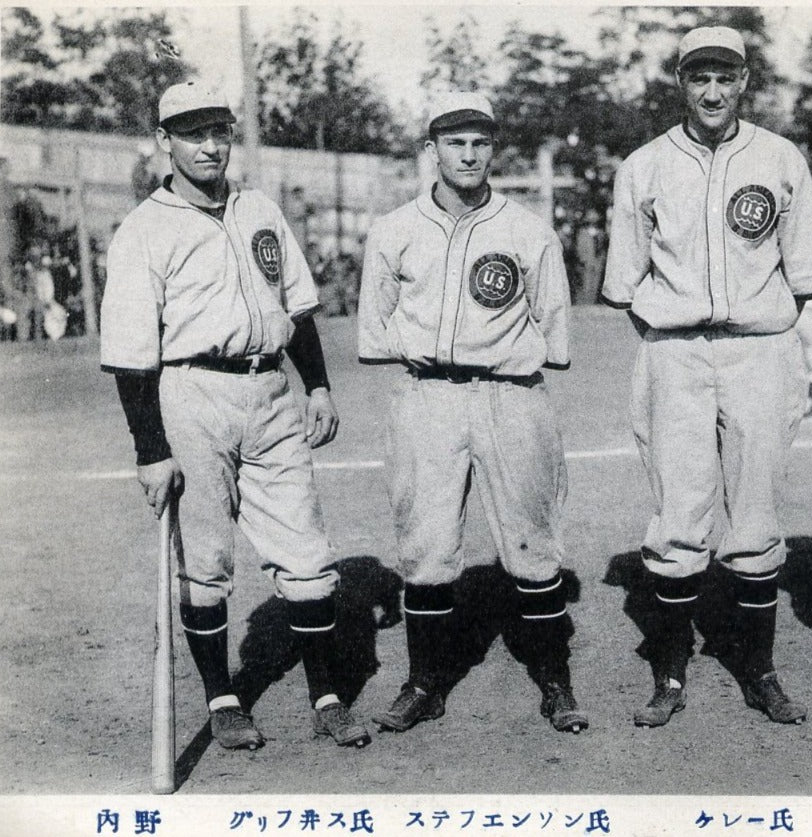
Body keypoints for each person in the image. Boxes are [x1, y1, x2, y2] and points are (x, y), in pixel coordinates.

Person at [100, 80, 370, 750]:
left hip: (272, 391)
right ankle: (224, 696)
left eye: (219, 130)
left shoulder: (259, 209)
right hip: (191, 395)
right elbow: (132, 355)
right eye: (193, 133)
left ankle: (328, 694)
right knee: (208, 558)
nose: (211, 145)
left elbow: (298, 306)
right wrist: (149, 448)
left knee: (305, 552)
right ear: (165, 141)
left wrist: (318, 386)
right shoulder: (143, 230)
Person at [601, 27, 812, 727]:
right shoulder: (642, 166)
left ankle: (757, 669)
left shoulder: (778, 157)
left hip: (760, 353)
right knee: (677, 517)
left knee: (756, 516)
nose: (711, 91)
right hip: (673, 353)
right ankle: (669, 674)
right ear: (679, 82)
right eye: (697, 77)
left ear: (743, 82)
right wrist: (671, 331)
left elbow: (808, 278)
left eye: (724, 77)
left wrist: (802, 359)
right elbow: (622, 281)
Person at [358, 92, 587, 735]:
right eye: (454, 142)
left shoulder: (527, 229)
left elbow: (553, 324)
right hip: (426, 395)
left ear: (493, 149)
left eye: (480, 142)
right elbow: (376, 329)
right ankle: (425, 682)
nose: (468, 153)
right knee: (426, 546)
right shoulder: (395, 229)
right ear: (431, 150)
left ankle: (555, 680)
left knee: (534, 546)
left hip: (511, 394)